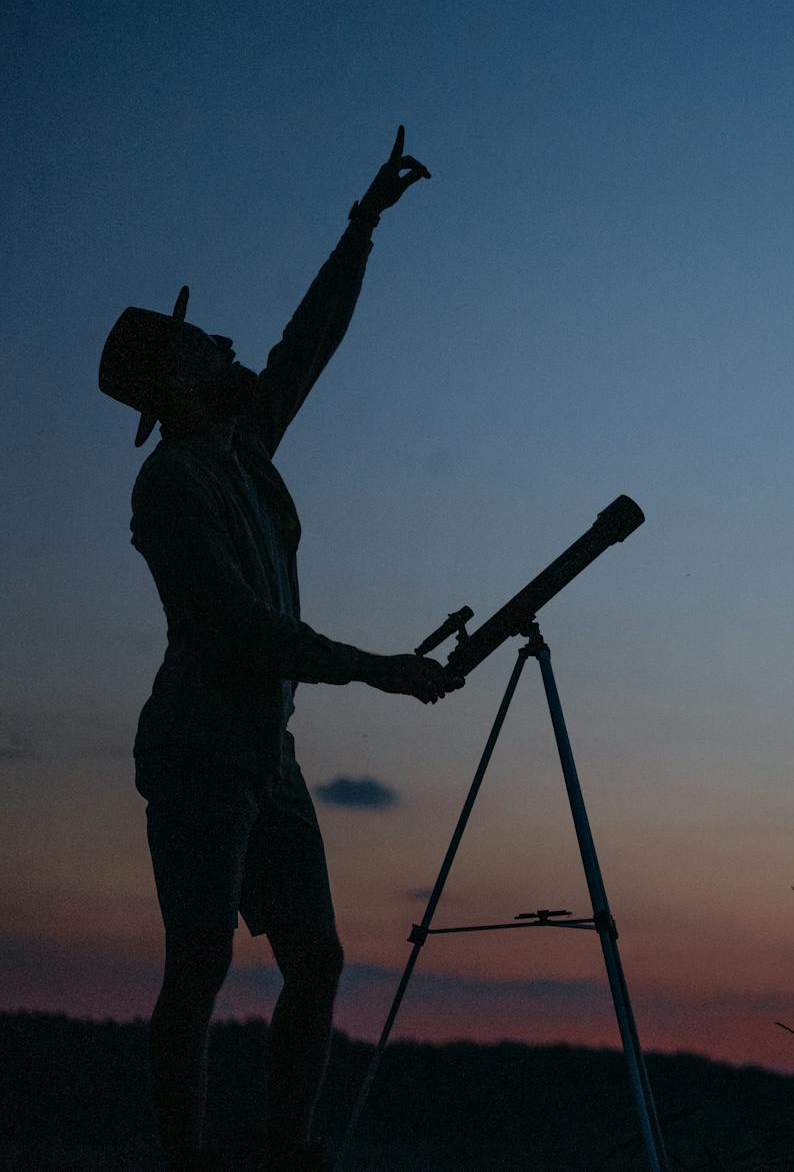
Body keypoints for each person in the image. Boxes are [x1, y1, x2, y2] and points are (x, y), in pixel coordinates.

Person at [97, 127, 464, 1172]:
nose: (222, 339)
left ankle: (287, 1147)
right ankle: (187, 1160)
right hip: (202, 753)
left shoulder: (244, 443)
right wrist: (382, 668)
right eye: (201, 342)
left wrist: (362, 227)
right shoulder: (169, 486)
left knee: (318, 958)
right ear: (172, 384)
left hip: (269, 754)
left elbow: (310, 339)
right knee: (202, 961)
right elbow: (239, 632)